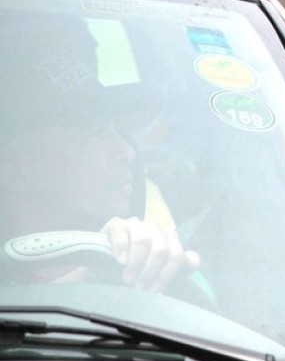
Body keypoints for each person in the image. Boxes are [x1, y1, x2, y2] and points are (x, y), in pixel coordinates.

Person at [0, 15, 200, 294]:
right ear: (16, 172)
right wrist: (90, 280)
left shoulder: (144, 261)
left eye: (116, 132)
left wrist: (150, 263)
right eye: (95, 135)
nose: (128, 151)